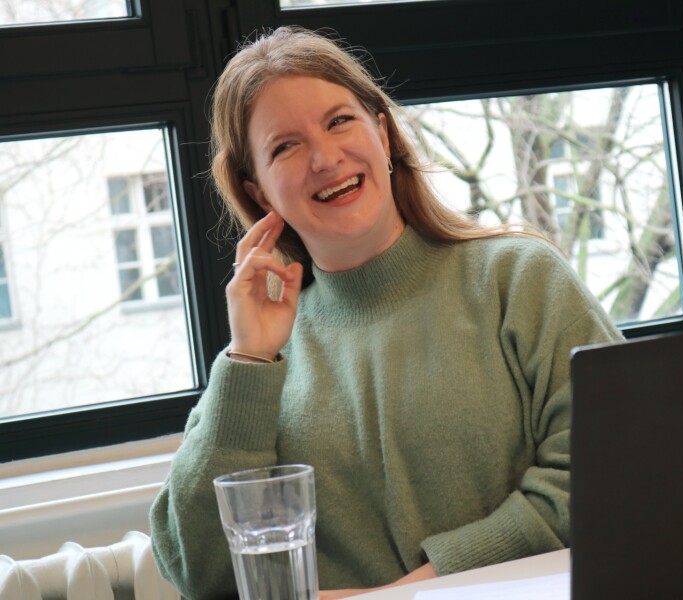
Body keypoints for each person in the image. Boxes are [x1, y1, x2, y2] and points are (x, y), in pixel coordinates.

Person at [149, 25, 623, 600]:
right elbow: (196, 568)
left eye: (339, 121)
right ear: (260, 194)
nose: (325, 158)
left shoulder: (518, 276)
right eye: (285, 147)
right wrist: (248, 358)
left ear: (383, 131)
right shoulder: (261, 354)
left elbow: (613, 472)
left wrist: (408, 592)